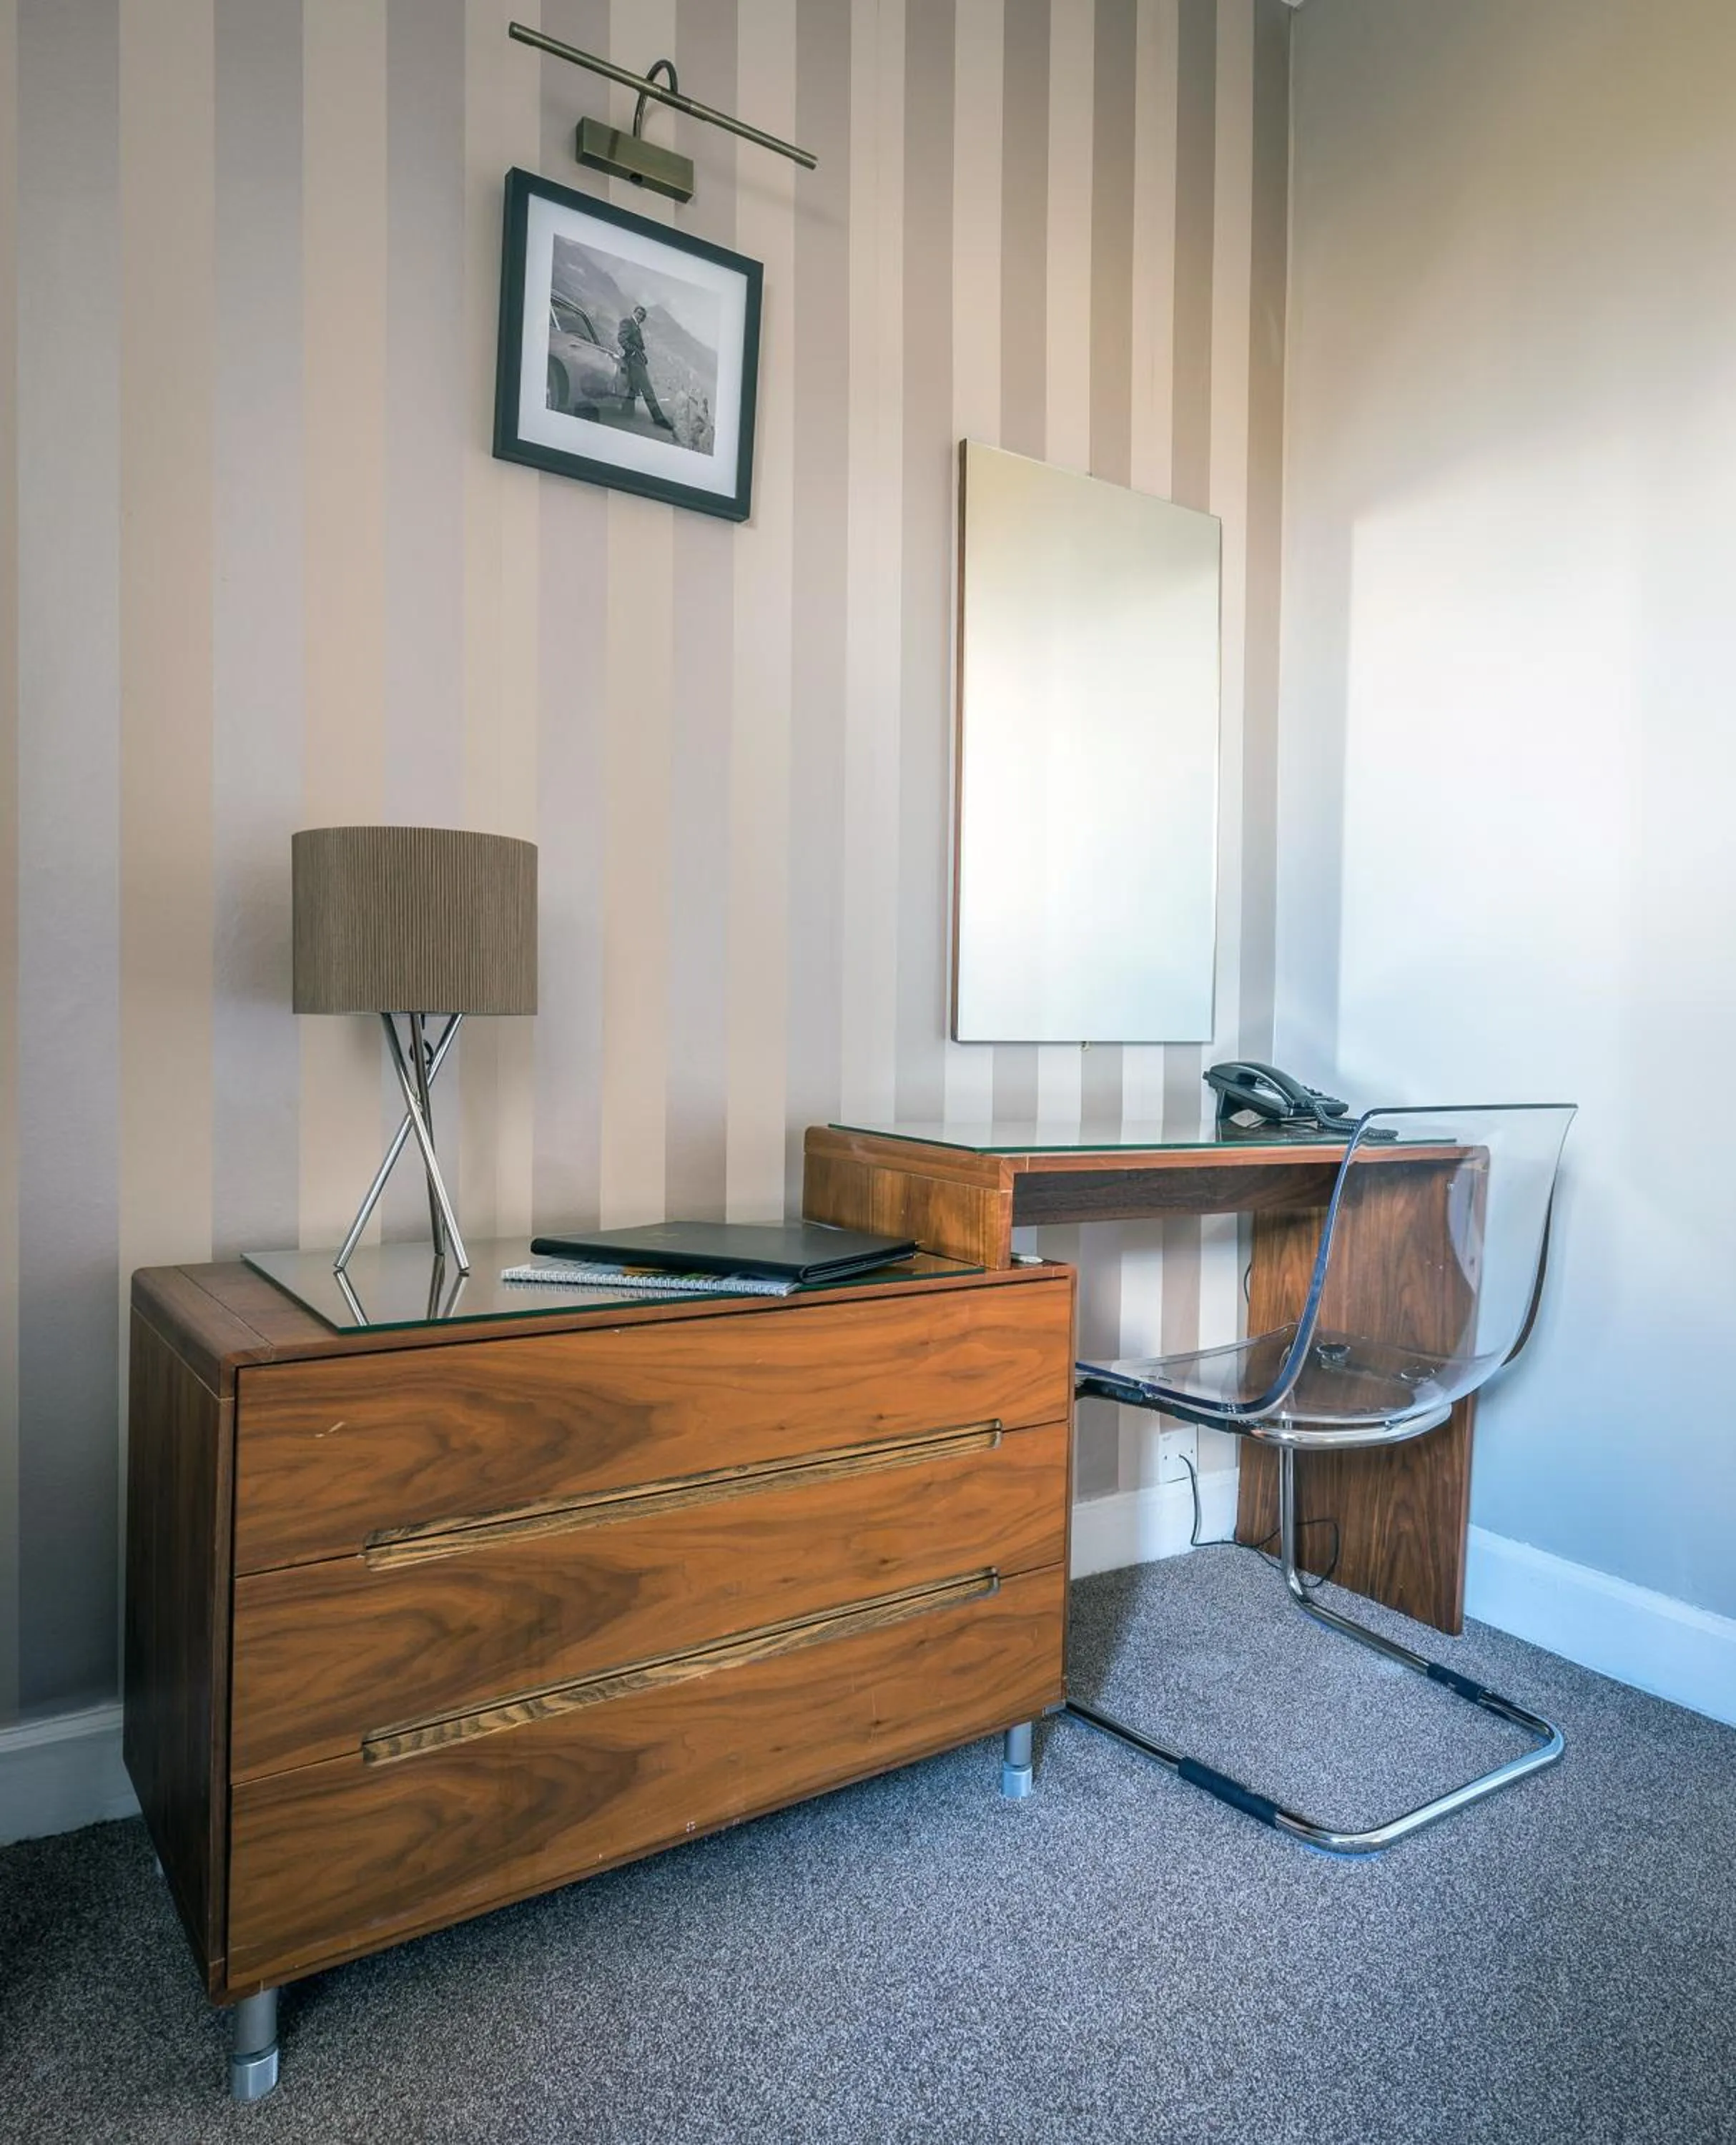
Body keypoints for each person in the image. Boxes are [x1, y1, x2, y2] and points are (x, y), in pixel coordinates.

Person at [618, 305, 675, 432]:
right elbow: (622, 339)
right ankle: (659, 419)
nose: (640, 317)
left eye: (642, 316)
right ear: (634, 312)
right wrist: (633, 352)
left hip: (637, 361)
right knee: (647, 390)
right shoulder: (627, 322)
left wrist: (641, 356)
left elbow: (637, 345)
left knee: (633, 387)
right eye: (639, 313)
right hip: (633, 362)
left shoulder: (637, 327)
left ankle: (627, 411)